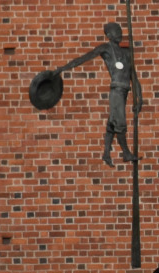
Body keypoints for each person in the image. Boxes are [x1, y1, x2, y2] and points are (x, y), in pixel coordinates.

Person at [55, 21, 143, 166]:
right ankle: (126, 153)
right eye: (116, 31)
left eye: (120, 30)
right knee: (119, 123)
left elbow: (134, 77)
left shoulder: (127, 53)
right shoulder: (106, 49)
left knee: (112, 123)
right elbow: (83, 59)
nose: (119, 33)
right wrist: (63, 68)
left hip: (125, 91)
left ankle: (106, 154)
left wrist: (140, 99)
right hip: (116, 91)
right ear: (108, 35)